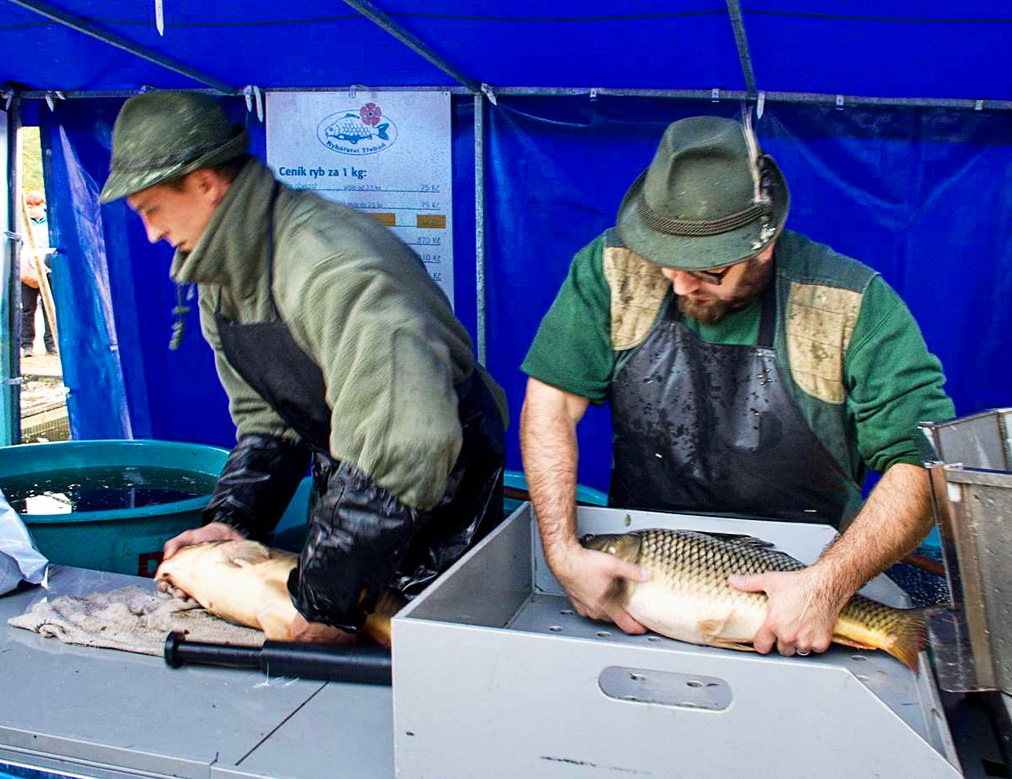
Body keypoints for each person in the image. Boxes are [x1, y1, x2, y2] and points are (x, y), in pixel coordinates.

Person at [520, 116, 954, 659]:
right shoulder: (611, 270)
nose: (681, 284)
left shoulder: (849, 303)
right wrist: (562, 550)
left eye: (708, 270)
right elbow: (551, 404)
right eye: (666, 261)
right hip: (650, 579)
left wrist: (826, 584)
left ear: (762, 246)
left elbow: (923, 465)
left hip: (810, 582)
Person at [100, 91, 507, 643]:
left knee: (428, 645)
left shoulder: (327, 264)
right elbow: (269, 420)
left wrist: (325, 599)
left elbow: (407, 441)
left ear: (204, 183)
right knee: (330, 636)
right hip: (356, 471)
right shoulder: (220, 276)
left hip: (439, 479)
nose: (151, 233)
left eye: (150, 209)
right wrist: (234, 519)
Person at [20, 190, 56, 358]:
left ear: (41, 205)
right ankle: (27, 344)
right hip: (28, 272)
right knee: (28, 308)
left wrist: (46, 266)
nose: (30, 210)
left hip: (48, 270)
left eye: (33, 206)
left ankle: (51, 343)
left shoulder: (52, 222)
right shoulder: (21, 224)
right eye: (28, 206)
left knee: (49, 307)